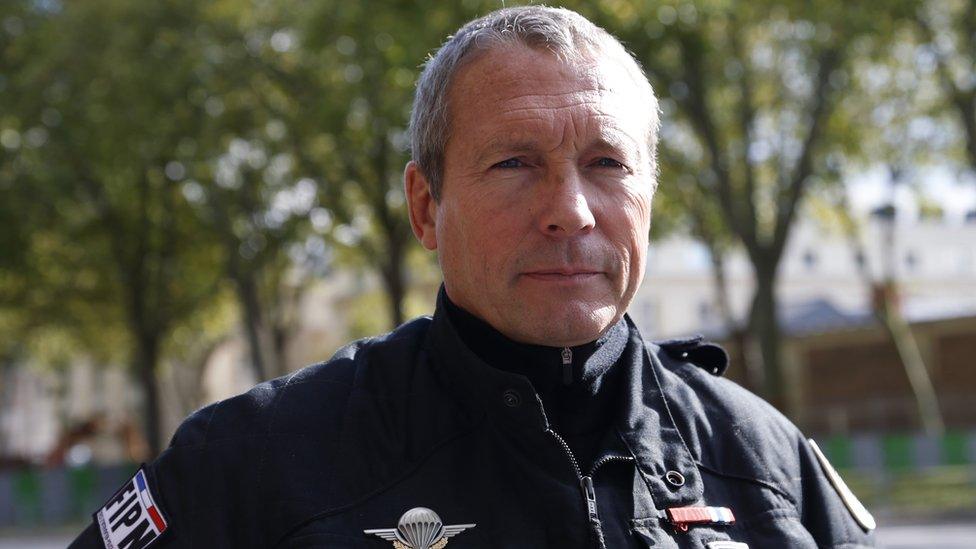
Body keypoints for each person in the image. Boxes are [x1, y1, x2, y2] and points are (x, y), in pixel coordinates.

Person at [71, 6, 876, 549]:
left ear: (649, 198)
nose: (571, 211)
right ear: (426, 207)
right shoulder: (256, 463)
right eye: (515, 163)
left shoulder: (765, 462)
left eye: (606, 164)